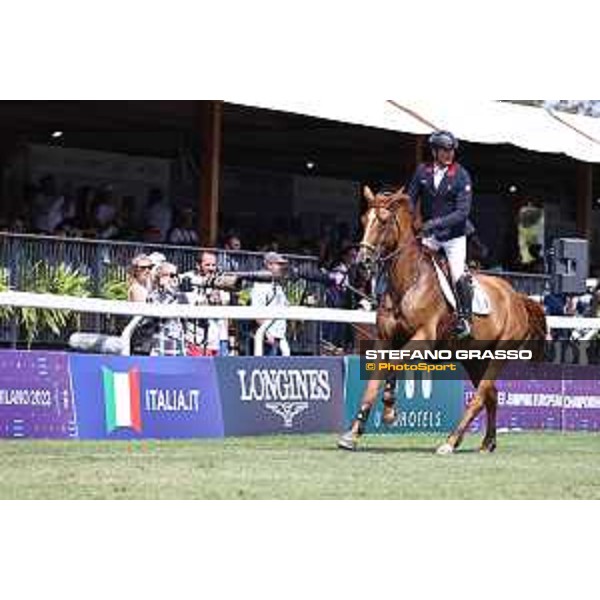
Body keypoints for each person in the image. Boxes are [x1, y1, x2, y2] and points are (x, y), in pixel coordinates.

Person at [407, 130, 474, 338]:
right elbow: (410, 200)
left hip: (454, 236)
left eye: (451, 150)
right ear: (435, 151)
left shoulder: (461, 175)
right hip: (430, 235)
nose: (449, 154)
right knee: (408, 263)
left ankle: (465, 319)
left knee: (456, 272)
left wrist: (434, 223)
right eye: (445, 150)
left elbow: (462, 212)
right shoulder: (422, 172)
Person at [180, 251, 231, 356]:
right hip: (195, 340)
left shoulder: (221, 280)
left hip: (219, 339)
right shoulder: (188, 279)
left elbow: (225, 303)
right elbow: (191, 304)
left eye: (213, 265)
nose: (211, 268)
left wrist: (216, 294)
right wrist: (208, 298)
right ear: (198, 265)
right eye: (207, 265)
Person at [250, 252, 290, 356]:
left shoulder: (277, 285)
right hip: (268, 340)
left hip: (280, 337)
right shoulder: (260, 286)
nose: (281, 267)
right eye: (278, 264)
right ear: (269, 265)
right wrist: (267, 334)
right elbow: (257, 312)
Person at [146, 262, 187, 356]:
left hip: (178, 348)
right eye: (171, 275)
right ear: (160, 277)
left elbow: (185, 318)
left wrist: (174, 292)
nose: (175, 278)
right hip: (160, 348)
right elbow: (161, 313)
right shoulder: (153, 296)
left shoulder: (181, 295)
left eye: (176, 275)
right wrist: (169, 291)